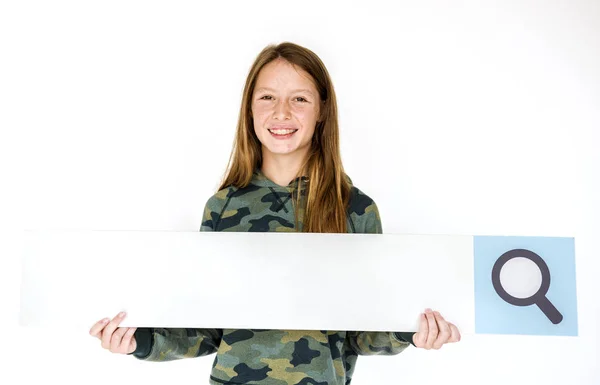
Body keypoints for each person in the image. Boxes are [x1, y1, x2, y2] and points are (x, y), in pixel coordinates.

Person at [89, 41, 461, 384]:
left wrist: (410, 331)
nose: (281, 112)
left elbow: (363, 335)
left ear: (322, 110)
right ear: (249, 107)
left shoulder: (355, 209)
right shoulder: (223, 208)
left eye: (299, 99)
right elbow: (205, 331)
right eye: (267, 96)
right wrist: (139, 341)